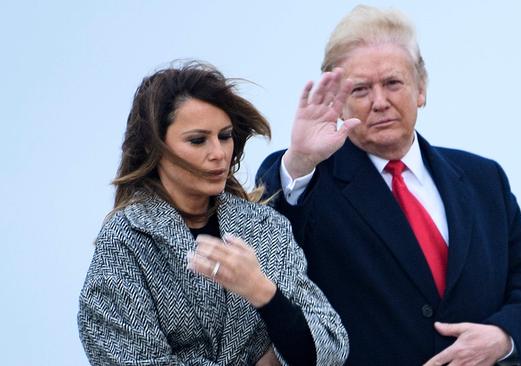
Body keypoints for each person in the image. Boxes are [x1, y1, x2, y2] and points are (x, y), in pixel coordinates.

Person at [256, 5, 521, 366]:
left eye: (392, 83)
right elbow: (272, 249)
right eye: (360, 89)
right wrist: (301, 160)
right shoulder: (307, 177)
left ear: (421, 88)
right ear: (337, 102)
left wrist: (502, 337)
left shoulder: (483, 179)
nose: (380, 102)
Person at [78, 61, 348, 365]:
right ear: (154, 147)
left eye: (225, 136)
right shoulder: (126, 239)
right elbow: (127, 357)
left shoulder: (267, 228)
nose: (218, 153)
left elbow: (331, 347)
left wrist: (263, 293)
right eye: (197, 140)